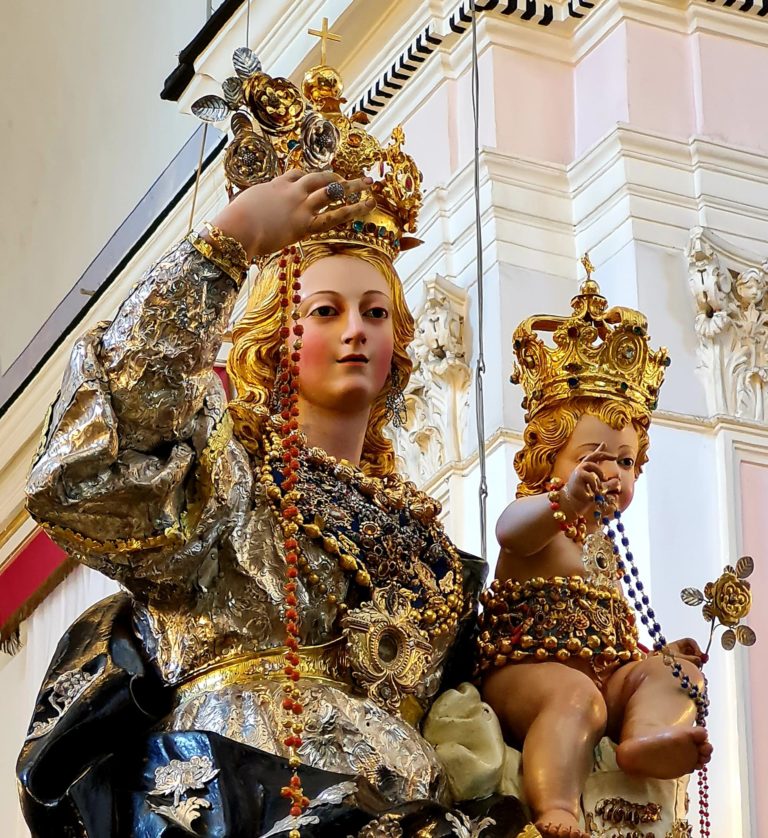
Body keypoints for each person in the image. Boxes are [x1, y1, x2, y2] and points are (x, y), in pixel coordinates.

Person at [17, 55, 523, 838]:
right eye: (325, 310)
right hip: (243, 781)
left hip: (406, 799)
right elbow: (94, 461)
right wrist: (225, 248)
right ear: (276, 337)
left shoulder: (429, 551)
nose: (356, 330)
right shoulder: (226, 480)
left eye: (376, 313)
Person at [476, 267, 713, 838]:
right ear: (547, 460)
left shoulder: (605, 545)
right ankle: (556, 804)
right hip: (526, 670)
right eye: (594, 457)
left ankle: (647, 740)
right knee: (577, 699)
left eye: (626, 462)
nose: (612, 473)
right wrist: (562, 501)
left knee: (680, 675)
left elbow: (609, 626)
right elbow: (511, 533)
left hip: (605, 668)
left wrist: (659, 653)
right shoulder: (540, 516)